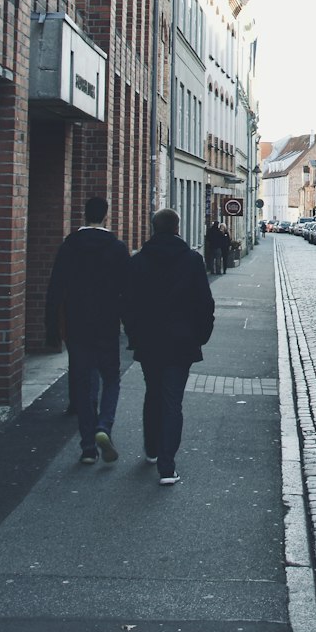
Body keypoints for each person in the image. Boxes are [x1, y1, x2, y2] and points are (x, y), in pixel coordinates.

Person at [124, 208, 215, 486]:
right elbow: (205, 304)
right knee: (172, 400)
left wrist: (133, 335)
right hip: (181, 341)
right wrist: (201, 335)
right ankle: (167, 466)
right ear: (177, 228)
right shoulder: (191, 260)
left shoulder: (139, 261)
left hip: (149, 340)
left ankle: (152, 449)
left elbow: (127, 304)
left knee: (153, 393)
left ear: (154, 228)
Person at [45, 196, 131, 466]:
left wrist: (51, 328)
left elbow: (55, 287)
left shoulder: (70, 246)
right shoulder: (117, 248)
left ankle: (87, 448)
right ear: (106, 215)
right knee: (111, 379)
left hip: (77, 324)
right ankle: (104, 426)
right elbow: (127, 291)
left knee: (84, 383)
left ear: (84, 215)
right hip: (106, 325)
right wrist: (130, 327)